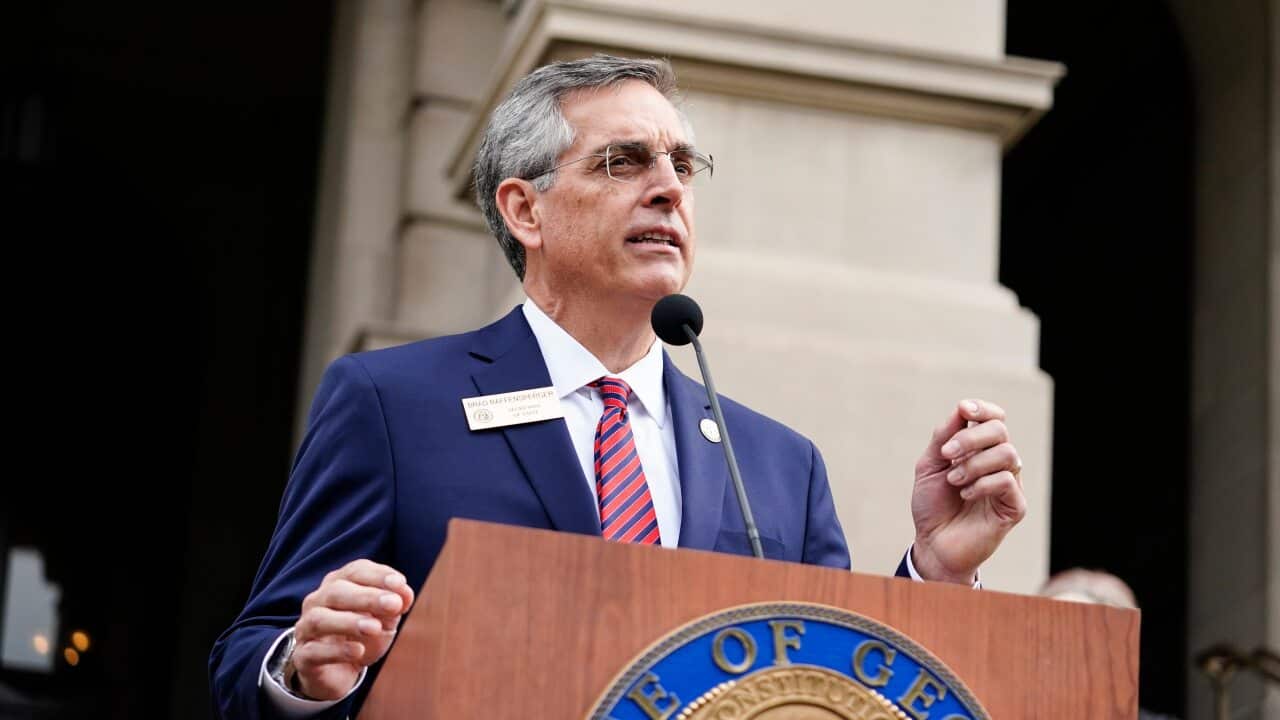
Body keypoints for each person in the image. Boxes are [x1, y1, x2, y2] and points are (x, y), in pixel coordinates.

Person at [209, 55, 1028, 719]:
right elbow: (254, 654)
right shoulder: (392, 404)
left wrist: (934, 572)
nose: (669, 186)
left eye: (682, 164)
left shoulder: (777, 462)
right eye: (624, 161)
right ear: (525, 211)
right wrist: (306, 672)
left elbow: (831, 681)